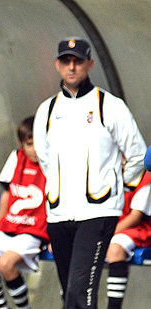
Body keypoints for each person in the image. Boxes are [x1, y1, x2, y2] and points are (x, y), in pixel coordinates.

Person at [32, 37, 146, 308]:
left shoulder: (110, 105)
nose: (72, 67)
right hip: (58, 214)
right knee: (70, 293)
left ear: (90, 64)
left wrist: (121, 187)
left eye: (78, 61)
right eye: (66, 61)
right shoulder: (47, 110)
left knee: (79, 292)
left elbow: (138, 154)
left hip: (97, 212)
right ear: (57, 65)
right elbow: (45, 160)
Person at [0, 116, 48, 309]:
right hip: (9, 227)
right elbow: (7, 195)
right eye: (30, 144)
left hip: (33, 231)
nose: (35, 150)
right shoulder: (16, 158)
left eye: (39, 143)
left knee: (6, 264)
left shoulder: (51, 163)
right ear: (21, 144)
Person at [106, 171, 151, 309]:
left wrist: (106, 235)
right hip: (104, 226)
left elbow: (135, 216)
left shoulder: (144, 174)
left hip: (137, 228)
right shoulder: (104, 167)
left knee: (115, 248)